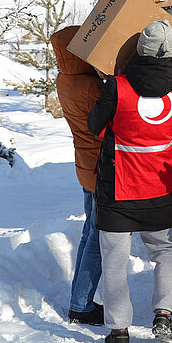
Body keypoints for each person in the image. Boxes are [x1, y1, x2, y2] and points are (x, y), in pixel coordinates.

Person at [86, 20, 172, 343]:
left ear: (139, 50)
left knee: (115, 261)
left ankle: (119, 331)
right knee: (166, 253)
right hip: (159, 188)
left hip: (119, 189)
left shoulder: (117, 87)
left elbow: (93, 125)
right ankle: (163, 314)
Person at [50, 25, 105, 327]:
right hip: (99, 164)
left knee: (89, 232)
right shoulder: (89, 86)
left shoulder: (65, 79)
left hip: (84, 164)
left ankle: (78, 300)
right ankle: (81, 305)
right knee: (97, 236)